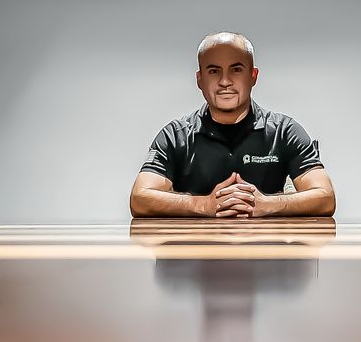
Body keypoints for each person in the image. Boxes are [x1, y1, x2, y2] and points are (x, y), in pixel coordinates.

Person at [130, 32, 336, 219]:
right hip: (194, 247)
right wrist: (203, 205)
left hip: (267, 247)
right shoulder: (175, 135)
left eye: (236, 70)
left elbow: (325, 197)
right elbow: (140, 199)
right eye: (214, 71)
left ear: (253, 76)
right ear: (199, 79)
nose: (225, 81)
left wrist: (267, 204)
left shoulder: (285, 131)